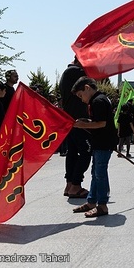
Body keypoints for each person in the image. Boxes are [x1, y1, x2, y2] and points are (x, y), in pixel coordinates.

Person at [71, 77, 118, 218]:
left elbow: (101, 123)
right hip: (100, 143)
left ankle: (102, 205)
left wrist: (82, 125)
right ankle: (91, 201)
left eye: (80, 95)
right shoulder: (99, 99)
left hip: (104, 143)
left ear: (87, 88)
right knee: (95, 173)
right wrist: (86, 121)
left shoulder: (98, 101)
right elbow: (98, 121)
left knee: (100, 174)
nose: (81, 99)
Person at [59, 57, 92, 199]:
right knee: (86, 151)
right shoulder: (76, 71)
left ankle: (69, 184)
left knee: (72, 152)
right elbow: (89, 84)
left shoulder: (67, 72)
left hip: (70, 119)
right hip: (79, 120)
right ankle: (76, 185)